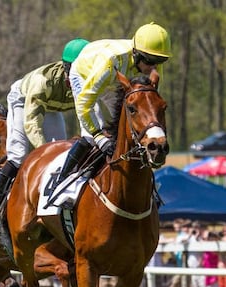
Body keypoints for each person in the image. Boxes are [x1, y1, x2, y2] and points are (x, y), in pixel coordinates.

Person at [0, 38, 89, 233]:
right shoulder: (43, 82)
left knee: (65, 155)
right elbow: (32, 124)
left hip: (52, 107)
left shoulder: (91, 81)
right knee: (18, 156)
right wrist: (44, 153)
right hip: (24, 99)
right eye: (78, 72)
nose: (83, 78)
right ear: (66, 68)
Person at [53, 22, 171, 191]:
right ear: (137, 54)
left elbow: (149, 105)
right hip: (86, 75)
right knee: (91, 137)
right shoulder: (111, 61)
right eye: (151, 61)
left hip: (114, 80)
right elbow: (84, 103)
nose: (154, 67)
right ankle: (62, 180)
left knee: (124, 132)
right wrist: (99, 137)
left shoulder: (151, 60)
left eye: (160, 61)